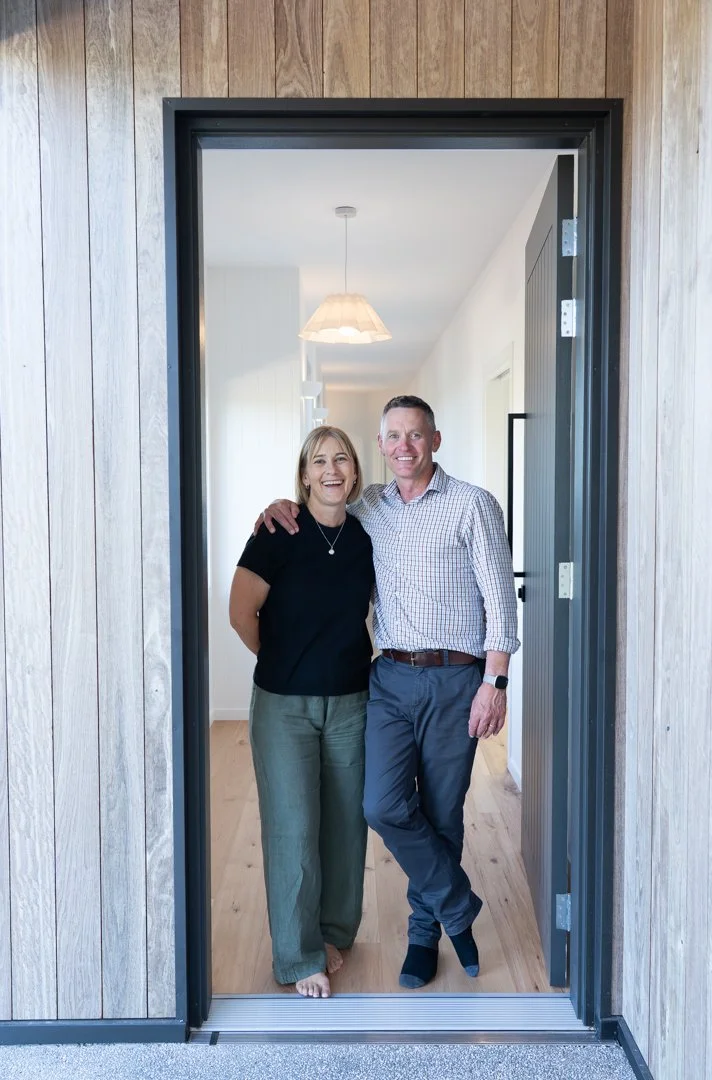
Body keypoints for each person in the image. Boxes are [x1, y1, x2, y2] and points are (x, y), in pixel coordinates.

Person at [260, 395, 519, 990]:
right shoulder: (371, 507)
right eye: (393, 437)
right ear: (380, 448)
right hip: (392, 679)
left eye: (416, 435)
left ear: (435, 439)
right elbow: (321, 502)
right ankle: (458, 904)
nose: (404, 446)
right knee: (380, 804)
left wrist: (494, 684)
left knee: (442, 812)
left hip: (459, 679)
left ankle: (424, 937)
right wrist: (281, 504)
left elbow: (501, 603)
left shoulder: (473, 505)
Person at [229, 426, 374, 999]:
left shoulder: (367, 537)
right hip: (284, 708)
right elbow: (242, 613)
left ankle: (333, 932)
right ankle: (297, 955)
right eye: (320, 461)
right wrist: (281, 657)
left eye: (342, 458)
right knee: (293, 829)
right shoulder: (277, 532)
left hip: (352, 702)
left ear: (356, 473)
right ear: (305, 474)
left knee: (345, 826)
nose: (332, 469)